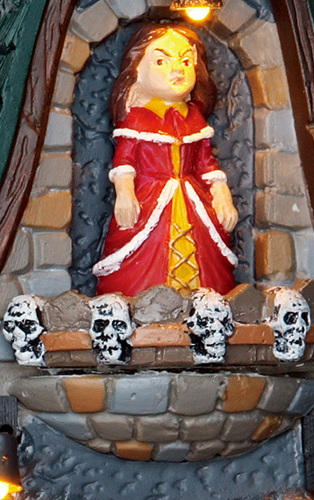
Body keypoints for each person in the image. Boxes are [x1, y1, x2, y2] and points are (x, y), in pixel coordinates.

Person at [92, 19, 239, 298]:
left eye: (185, 61)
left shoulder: (193, 118)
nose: (177, 70)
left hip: (192, 198)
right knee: (144, 249)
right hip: (150, 198)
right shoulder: (137, 119)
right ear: (137, 70)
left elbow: (207, 163)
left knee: (205, 251)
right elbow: (124, 162)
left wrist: (222, 195)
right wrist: (125, 194)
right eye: (161, 62)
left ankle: (201, 298)